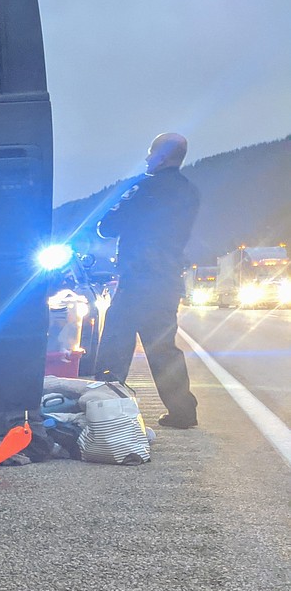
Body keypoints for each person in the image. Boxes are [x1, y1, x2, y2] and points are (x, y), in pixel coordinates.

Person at [93, 132, 200, 428]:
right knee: (164, 348)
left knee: (115, 344)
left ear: (161, 156)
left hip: (137, 279)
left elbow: (107, 226)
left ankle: (105, 411)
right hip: (167, 280)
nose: (146, 158)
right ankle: (183, 412)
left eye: (151, 152)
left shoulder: (143, 187)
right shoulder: (190, 192)